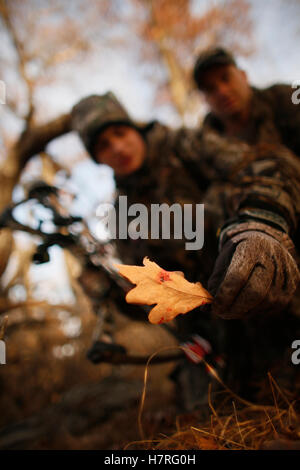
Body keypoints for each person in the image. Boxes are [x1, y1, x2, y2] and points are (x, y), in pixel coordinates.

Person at [71, 92, 300, 409]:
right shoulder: (121, 215)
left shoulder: (185, 144)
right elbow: (152, 299)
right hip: (218, 324)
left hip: (276, 275)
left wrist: (261, 223)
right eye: (103, 147)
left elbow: (273, 164)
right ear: (98, 159)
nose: (118, 149)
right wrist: (109, 292)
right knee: (211, 409)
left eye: (120, 134)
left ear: (134, 128)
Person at [193, 47, 300, 158]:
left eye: (226, 78)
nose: (222, 92)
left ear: (243, 76)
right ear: (204, 99)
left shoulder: (285, 98)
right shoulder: (203, 146)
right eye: (210, 88)